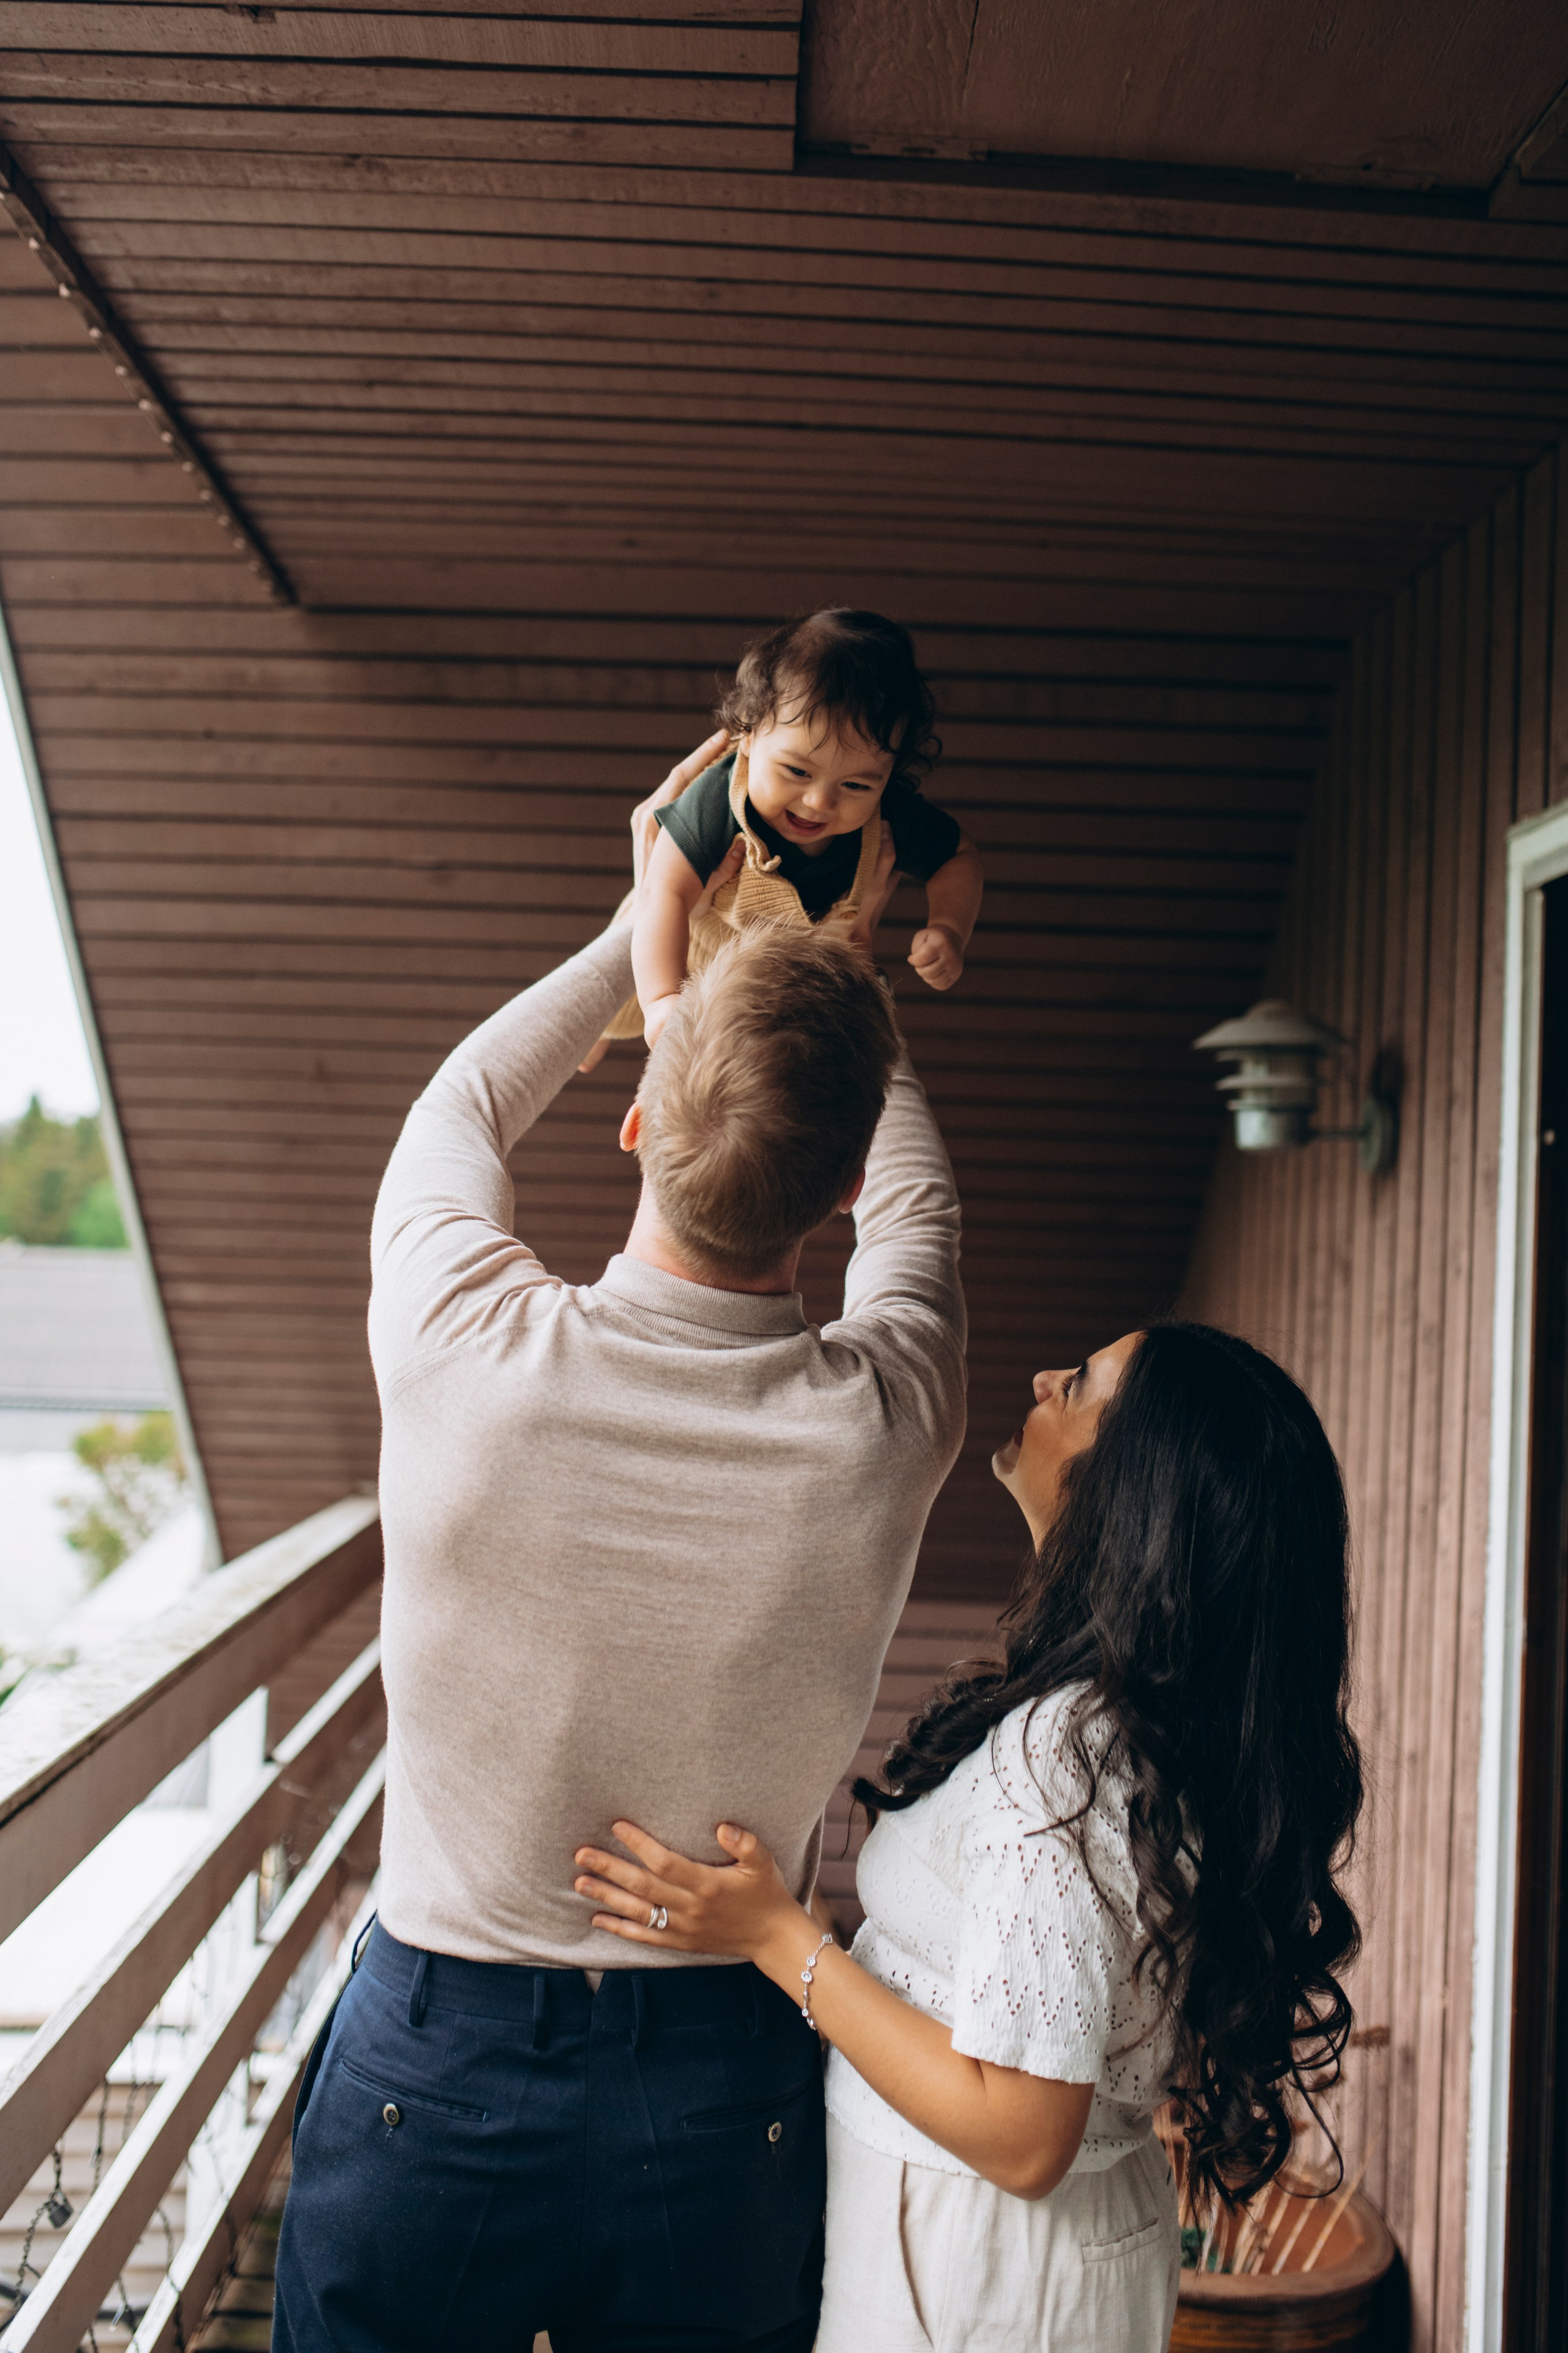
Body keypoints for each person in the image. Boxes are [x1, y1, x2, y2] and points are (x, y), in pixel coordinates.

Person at [270, 737, 968, 2353]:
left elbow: (465, 1101)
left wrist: (649, 904)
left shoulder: (462, 1339)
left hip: (431, 2068)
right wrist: (841, 962)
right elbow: (921, 1217)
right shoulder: (885, 1420)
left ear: (641, 1117)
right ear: (846, 1180)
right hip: (722, 2078)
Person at [576, 1321, 1365, 2353]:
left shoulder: (1064, 1756)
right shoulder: (1136, 1729)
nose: (1043, 1376)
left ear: (1130, 1484)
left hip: (979, 2266)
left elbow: (1022, 2132)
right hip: (1028, 2260)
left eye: (1079, 1384)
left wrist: (778, 1941)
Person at [589, 609, 985, 1062]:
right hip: (679, 941)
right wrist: (661, 999)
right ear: (750, 735)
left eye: (856, 785)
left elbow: (959, 856)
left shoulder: (889, 814)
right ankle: (599, 1037)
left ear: (889, 775)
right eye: (797, 770)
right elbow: (665, 893)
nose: (819, 801)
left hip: (772, 989)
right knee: (600, 1014)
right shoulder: (720, 797)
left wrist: (949, 928)